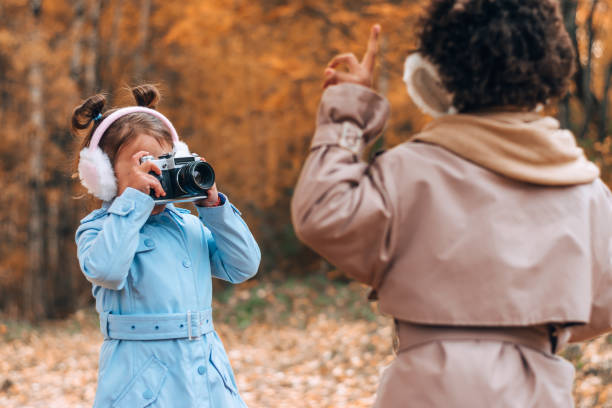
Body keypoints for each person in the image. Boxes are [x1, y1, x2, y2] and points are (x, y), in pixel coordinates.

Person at [291, 1, 612, 406]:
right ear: (554, 71)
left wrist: (349, 111)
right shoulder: (587, 191)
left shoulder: (405, 171)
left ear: (435, 74)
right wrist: (526, 323)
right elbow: (600, 309)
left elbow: (321, 214)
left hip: (423, 389)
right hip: (537, 390)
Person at [73, 84, 260, 407]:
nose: (158, 171)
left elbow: (243, 265)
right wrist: (132, 203)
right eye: (144, 161)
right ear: (103, 173)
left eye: (165, 160)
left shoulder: (188, 225)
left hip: (206, 376)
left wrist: (213, 206)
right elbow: (106, 270)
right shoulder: (99, 229)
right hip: (142, 380)